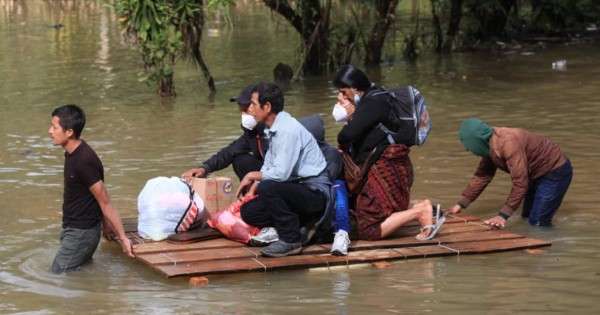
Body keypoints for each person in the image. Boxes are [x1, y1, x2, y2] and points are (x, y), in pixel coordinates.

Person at [333, 64, 443, 241]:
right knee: (370, 212)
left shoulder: (371, 102)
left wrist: (348, 122)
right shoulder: (378, 94)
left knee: (369, 230)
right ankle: (422, 207)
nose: (344, 97)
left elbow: (346, 135)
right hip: (393, 166)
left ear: (353, 88)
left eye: (344, 92)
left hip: (383, 167)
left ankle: (419, 211)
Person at [238, 83, 334, 257]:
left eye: (253, 103)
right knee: (249, 211)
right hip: (296, 190)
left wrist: (253, 175)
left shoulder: (287, 130)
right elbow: (269, 165)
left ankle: (290, 240)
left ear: (267, 107)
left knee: (268, 187)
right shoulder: (272, 128)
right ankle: (304, 226)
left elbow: (281, 174)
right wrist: (254, 188)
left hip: (314, 194)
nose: (249, 108)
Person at [49, 104, 134, 273]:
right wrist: (104, 224)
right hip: (73, 229)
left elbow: (105, 201)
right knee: (78, 274)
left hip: (81, 233)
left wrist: (123, 238)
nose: (50, 131)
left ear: (69, 132)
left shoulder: (84, 161)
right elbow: (90, 195)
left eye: (54, 127)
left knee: (57, 274)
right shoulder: (71, 153)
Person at [445, 118, 573, 228]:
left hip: (555, 172)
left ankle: (550, 248)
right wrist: (460, 204)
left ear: (477, 141)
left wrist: (503, 216)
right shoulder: (490, 146)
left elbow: (520, 183)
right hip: (534, 173)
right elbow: (482, 177)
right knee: (526, 217)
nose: (468, 150)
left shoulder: (508, 144)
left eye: (469, 145)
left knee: (537, 222)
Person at [181, 84, 268, 182]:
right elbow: (229, 152)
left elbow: (281, 169)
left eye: (246, 110)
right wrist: (204, 168)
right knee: (240, 159)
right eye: (241, 111)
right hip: (268, 175)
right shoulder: (252, 133)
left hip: (281, 179)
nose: (244, 116)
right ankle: (250, 195)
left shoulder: (275, 132)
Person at [298, 114, 350, 256]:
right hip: (309, 195)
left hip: (329, 195)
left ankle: (342, 232)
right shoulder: (298, 153)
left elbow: (327, 179)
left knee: (338, 188)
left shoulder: (331, 153)